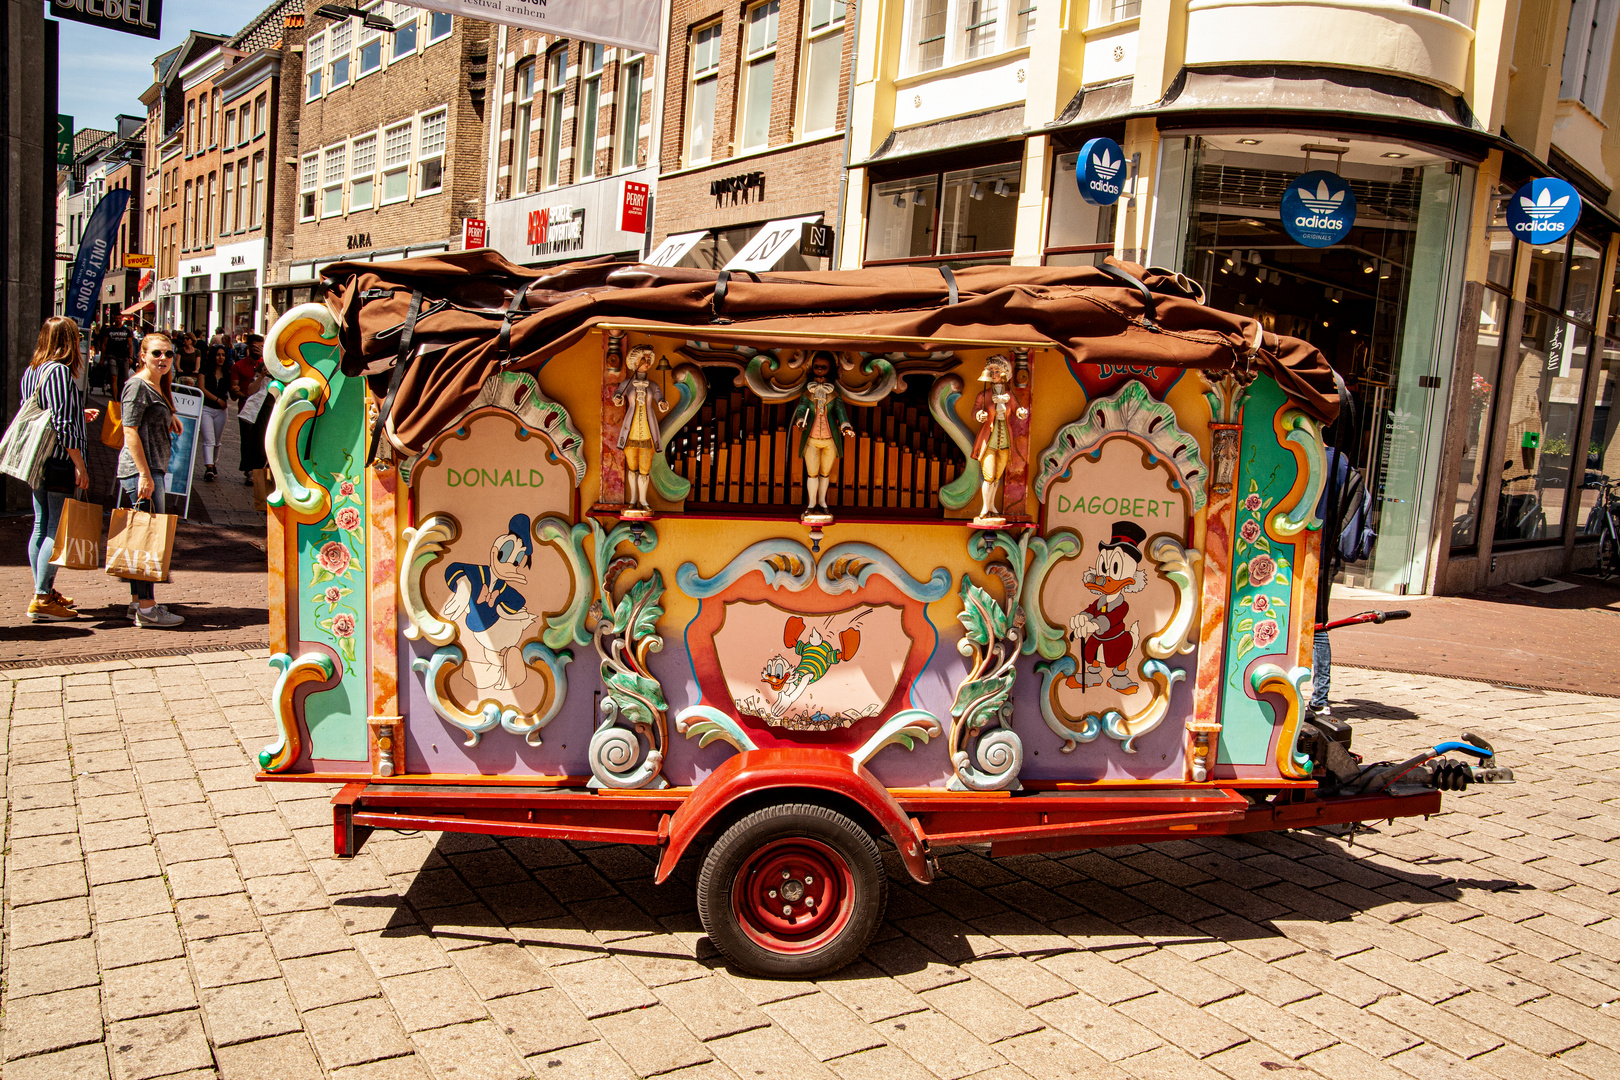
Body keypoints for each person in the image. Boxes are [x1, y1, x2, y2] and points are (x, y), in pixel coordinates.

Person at [20, 317, 97, 622]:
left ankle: (44, 590)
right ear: (70, 341)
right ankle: (41, 597)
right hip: (59, 460)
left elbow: (46, 411)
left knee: (41, 524)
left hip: (37, 457)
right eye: (76, 338)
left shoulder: (32, 370)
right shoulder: (61, 372)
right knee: (55, 527)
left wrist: (80, 412)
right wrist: (79, 464)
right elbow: (62, 425)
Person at [117, 333, 185, 628]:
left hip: (152, 468)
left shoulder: (157, 384)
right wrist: (144, 474)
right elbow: (129, 430)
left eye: (169, 354)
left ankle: (138, 602)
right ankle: (147, 608)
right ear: (142, 354)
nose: (163, 359)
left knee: (140, 540)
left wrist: (170, 414)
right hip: (142, 471)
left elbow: (151, 415)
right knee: (148, 542)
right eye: (157, 353)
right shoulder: (136, 386)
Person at [231, 344, 270, 485]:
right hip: (262, 410)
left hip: (280, 409)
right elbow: (250, 390)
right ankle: (255, 478)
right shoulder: (264, 367)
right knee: (258, 446)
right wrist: (262, 377)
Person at [198, 344, 231, 482]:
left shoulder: (227, 373)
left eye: (223, 355)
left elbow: (232, 391)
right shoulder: (205, 369)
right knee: (208, 440)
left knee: (217, 441)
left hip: (221, 411)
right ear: (213, 356)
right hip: (206, 408)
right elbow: (201, 388)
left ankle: (214, 463)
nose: (220, 358)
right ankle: (209, 467)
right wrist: (217, 399)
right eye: (218, 355)